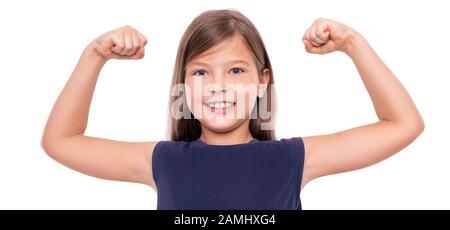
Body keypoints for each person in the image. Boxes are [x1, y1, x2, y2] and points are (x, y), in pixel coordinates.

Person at [41, 10, 424, 210]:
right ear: (183, 83)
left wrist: (353, 43)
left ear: (262, 81)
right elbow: (61, 140)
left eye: (236, 70)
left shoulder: (292, 159)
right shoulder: (163, 161)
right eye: (201, 71)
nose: (219, 85)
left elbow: (403, 124)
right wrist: (94, 55)